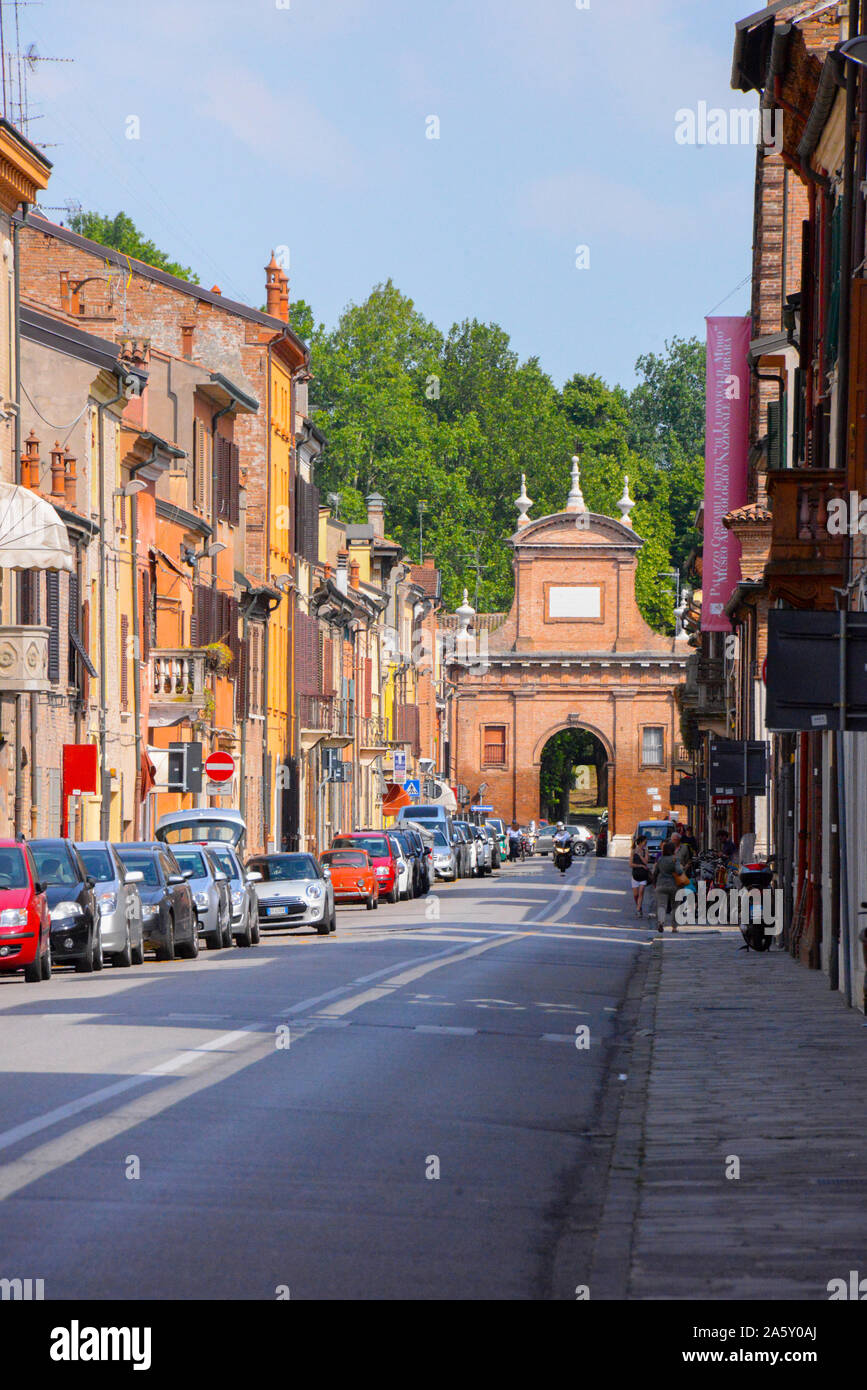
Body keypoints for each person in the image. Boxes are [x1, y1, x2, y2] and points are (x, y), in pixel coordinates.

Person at [652, 838, 679, 933]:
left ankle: (661, 922)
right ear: (673, 850)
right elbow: (679, 871)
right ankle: (674, 927)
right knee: (675, 906)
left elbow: (655, 873)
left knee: (662, 905)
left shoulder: (660, 859)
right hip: (673, 885)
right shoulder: (675, 859)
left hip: (661, 884)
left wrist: (654, 883)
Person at [631, 834, 650, 917]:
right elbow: (630, 864)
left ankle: (638, 910)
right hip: (635, 875)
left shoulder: (646, 851)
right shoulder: (633, 851)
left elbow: (646, 862)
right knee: (636, 895)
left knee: (641, 892)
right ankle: (639, 906)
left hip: (643, 875)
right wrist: (640, 865)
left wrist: (640, 856)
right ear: (641, 842)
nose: (646, 844)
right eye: (645, 842)